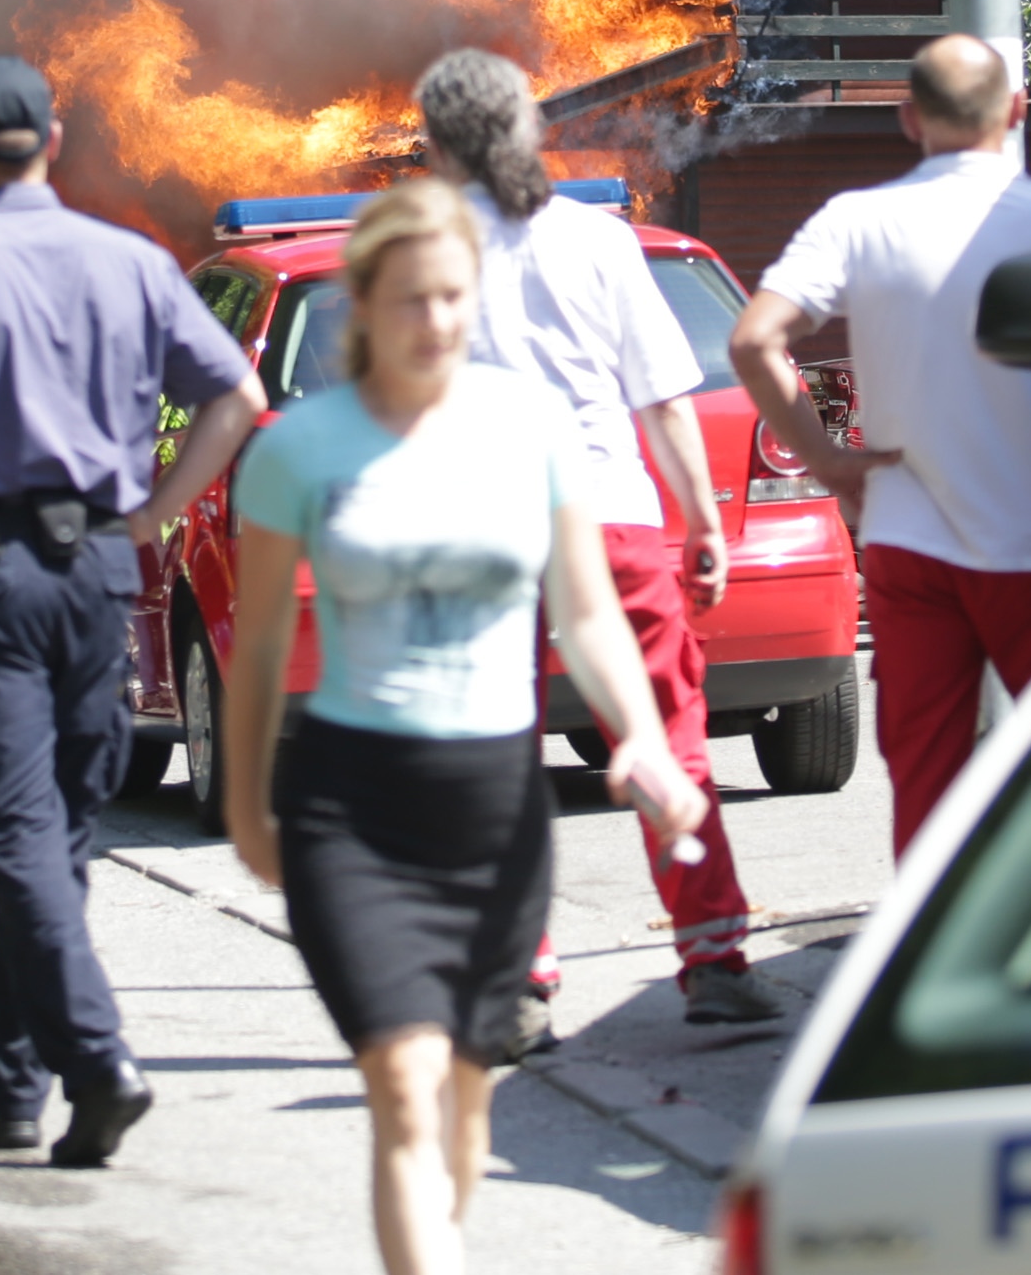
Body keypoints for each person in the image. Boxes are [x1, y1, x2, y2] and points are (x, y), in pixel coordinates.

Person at [224, 181, 707, 1275]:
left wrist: (638, 735)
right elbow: (255, 649)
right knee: (401, 1087)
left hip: (492, 807)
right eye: (409, 300)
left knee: (463, 1110)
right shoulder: (299, 449)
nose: (435, 321)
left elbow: (586, 611)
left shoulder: (528, 425)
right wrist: (251, 802)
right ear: (363, 304)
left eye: (452, 298)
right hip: (351, 806)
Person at [0, 54, 270, 1167]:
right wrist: (151, 517)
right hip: (94, 571)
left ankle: (95, 1058)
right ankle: (12, 1093)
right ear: (51, 138)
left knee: (12, 830)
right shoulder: (133, 263)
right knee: (51, 836)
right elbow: (240, 398)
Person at [410, 49, 777, 1034]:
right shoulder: (598, 241)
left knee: (492, 757)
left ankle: (515, 983)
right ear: (529, 130)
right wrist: (700, 519)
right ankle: (715, 964)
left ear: (437, 144)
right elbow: (662, 399)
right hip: (611, 520)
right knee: (667, 740)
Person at [728, 35, 1031, 853]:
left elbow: (754, 341)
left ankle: (928, 951)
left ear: (909, 119)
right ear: (1016, 111)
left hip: (908, 544)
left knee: (925, 777)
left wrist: (829, 460)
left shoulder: (855, 222)